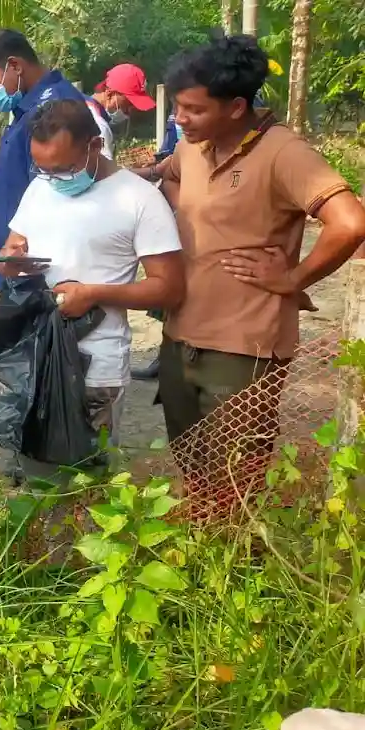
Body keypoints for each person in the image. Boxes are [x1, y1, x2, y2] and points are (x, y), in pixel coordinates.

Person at [140, 34, 365, 448]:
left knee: (236, 470)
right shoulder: (192, 147)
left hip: (244, 347)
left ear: (236, 107)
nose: (180, 119)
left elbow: (350, 224)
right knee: (189, 460)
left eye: (194, 109)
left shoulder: (284, 153)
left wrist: (293, 279)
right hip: (180, 334)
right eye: (177, 107)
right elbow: (169, 176)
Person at [0, 99, 185, 442]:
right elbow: (13, 245)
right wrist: (10, 259)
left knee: (89, 469)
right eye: (43, 169)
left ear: (95, 145)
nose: (54, 179)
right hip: (35, 357)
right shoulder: (40, 187)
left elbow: (169, 289)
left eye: (64, 168)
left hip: (96, 369)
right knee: (31, 466)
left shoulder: (138, 199)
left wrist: (94, 294)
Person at [0, 29, 85, 291]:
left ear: (15, 66)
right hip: (19, 262)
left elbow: (56, 189)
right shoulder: (26, 108)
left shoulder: (54, 107)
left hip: (39, 266)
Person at [86, 63, 156, 158]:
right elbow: (103, 168)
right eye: (127, 104)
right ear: (110, 94)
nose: (128, 112)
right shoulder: (99, 128)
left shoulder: (79, 104)